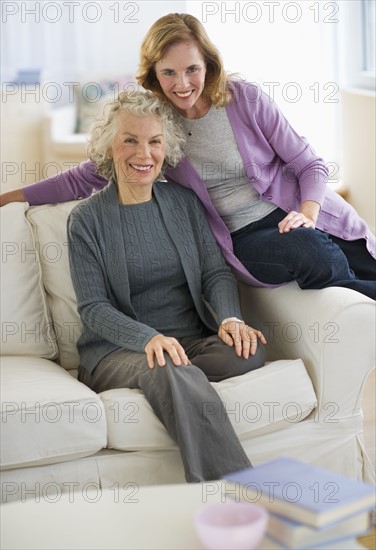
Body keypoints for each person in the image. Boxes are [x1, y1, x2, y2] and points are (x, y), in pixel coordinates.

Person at [2, 13, 375, 299]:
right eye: (169, 73)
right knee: (314, 254)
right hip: (246, 238)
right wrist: (8, 197)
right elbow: (86, 176)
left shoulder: (243, 98)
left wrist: (307, 214)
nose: (182, 85)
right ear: (153, 74)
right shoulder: (155, 122)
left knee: (360, 259)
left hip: (303, 212)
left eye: (192, 69)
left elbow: (309, 163)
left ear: (208, 64)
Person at [67, 89, 266, 483]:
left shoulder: (183, 203)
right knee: (168, 366)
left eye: (154, 141)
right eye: (130, 140)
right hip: (118, 351)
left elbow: (215, 272)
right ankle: (236, 493)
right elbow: (93, 307)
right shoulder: (86, 221)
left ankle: (177, 383)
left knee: (248, 351)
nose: (144, 154)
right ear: (110, 147)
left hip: (188, 341)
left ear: (166, 148)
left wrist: (230, 318)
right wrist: (147, 338)